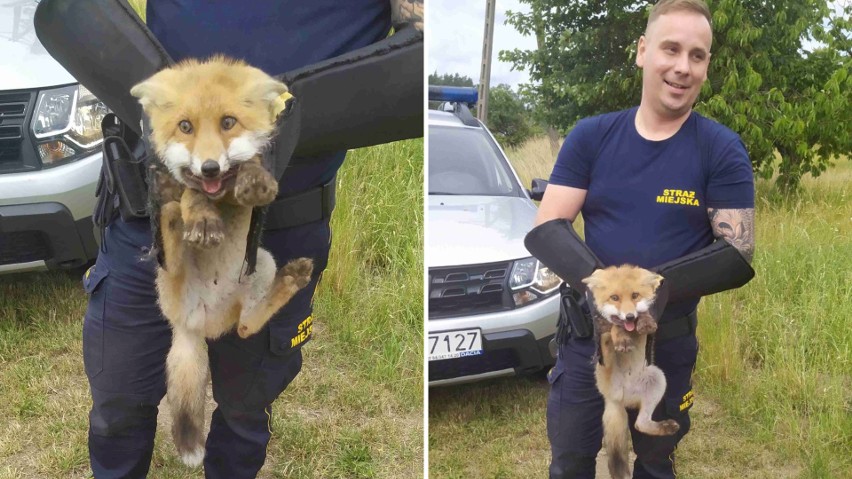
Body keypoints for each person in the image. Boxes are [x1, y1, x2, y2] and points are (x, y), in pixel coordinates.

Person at [71, 1, 423, 478]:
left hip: (280, 227)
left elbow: (421, 44)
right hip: (153, 218)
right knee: (118, 399)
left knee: (244, 408)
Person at [530, 0, 755, 477]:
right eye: (670, 49)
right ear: (642, 51)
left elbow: (737, 254)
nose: (682, 67)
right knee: (570, 461)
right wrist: (607, 292)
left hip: (665, 346)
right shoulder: (592, 136)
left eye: (697, 55)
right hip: (590, 342)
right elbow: (547, 230)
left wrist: (655, 294)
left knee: (655, 464)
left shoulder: (720, 149)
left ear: (707, 66)